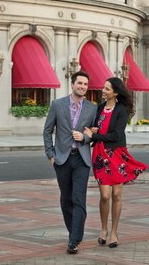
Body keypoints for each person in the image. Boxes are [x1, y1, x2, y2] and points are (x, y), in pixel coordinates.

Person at [83, 77, 148, 248]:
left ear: (116, 92)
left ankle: (114, 232)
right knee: (104, 195)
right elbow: (93, 128)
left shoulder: (121, 110)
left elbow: (116, 136)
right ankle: (103, 229)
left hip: (117, 154)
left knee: (116, 195)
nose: (103, 91)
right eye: (103, 88)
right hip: (100, 154)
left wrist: (94, 135)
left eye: (107, 89)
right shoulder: (99, 108)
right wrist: (92, 131)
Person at [43, 70, 97, 255]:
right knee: (66, 199)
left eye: (85, 85)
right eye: (79, 83)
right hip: (62, 159)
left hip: (81, 159)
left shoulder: (92, 108)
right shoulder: (57, 105)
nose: (82, 87)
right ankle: (73, 232)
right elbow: (47, 130)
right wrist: (51, 155)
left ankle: (75, 239)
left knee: (78, 199)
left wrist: (85, 137)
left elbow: (93, 134)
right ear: (72, 84)